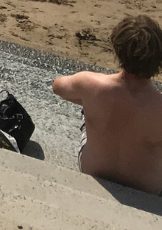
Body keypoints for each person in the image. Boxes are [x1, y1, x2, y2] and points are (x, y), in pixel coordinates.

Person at [54, 15, 162, 195]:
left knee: (87, 108)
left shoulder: (91, 84)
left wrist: (89, 100)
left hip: (93, 170)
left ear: (118, 50)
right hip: (147, 187)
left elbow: (58, 86)